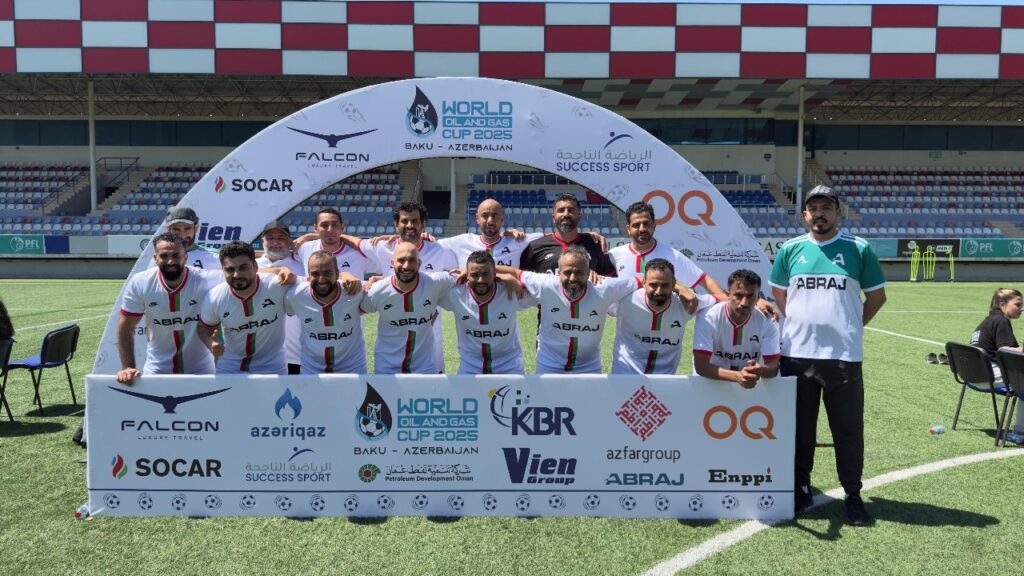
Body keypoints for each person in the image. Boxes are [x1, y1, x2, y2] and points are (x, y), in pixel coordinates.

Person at [769, 185, 887, 526]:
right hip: (797, 355)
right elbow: (779, 293)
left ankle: (853, 495)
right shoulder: (790, 249)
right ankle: (800, 488)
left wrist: (852, 326)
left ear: (838, 212)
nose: (819, 213)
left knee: (847, 430)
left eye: (826, 207)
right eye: (814, 208)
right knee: (799, 430)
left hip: (843, 357)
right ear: (805, 214)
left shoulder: (859, 248)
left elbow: (877, 298)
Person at [500, 245, 640, 374]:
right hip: (549, 366)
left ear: (588, 273)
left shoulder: (604, 287)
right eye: (567, 272)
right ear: (559, 273)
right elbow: (505, 271)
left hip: (589, 367)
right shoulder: (545, 285)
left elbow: (643, 281)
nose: (572, 278)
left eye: (579, 272)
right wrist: (502, 276)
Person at [117, 233, 223, 383]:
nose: (171, 261)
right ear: (155, 259)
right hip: (157, 370)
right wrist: (128, 367)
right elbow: (126, 325)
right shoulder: (141, 282)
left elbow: (246, 277)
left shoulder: (207, 279)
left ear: (186, 257)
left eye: (176, 255)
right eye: (164, 256)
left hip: (201, 370)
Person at [197, 241, 297, 375]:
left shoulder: (278, 286)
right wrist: (210, 343)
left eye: (243, 268)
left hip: (272, 367)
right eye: (230, 269)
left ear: (255, 266)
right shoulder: (214, 297)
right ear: (223, 271)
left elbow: (312, 287)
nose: (237, 275)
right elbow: (203, 327)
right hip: (230, 368)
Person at [360, 241, 456, 374]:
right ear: (392, 263)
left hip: (424, 366)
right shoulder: (377, 291)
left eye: (411, 260)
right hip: (387, 367)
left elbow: (467, 277)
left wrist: (465, 271)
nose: (406, 265)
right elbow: (357, 309)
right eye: (401, 260)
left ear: (419, 263)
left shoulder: (434, 282)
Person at [610, 258, 712, 375]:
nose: (659, 291)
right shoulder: (626, 300)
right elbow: (598, 297)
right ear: (644, 283)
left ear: (673, 284)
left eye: (665, 285)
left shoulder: (686, 302)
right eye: (653, 285)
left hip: (665, 380)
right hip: (625, 376)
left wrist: (691, 294)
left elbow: (719, 302)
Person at [441, 250, 533, 374]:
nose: (480, 280)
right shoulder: (455, 294)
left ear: (495, 274)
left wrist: (511, 277)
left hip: (509, 365)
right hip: (470, 365)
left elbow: (542, 293)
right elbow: (429, 289)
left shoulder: (511, 290)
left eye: (486, 274)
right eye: (474, 275)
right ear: (466, 275)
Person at [693, 269, 780, 387]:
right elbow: (701, 366)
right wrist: (737, 376)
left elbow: (773, 366)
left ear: (758, 297)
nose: (744, 303)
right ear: (728, 294)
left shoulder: (768, 321)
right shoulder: (708, 317)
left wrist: (760, 370)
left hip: (747, 387)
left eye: (750, 296)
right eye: (738, 295)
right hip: (710, 384)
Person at [285, 250, 366, 374]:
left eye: (327, 273)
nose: (321, 279)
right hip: (311, 369)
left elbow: (386, 287)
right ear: (308, 275)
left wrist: (374, 279)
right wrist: (279, 269)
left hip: (352, 368)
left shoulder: (356, 291)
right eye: (315, 274)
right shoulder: (295, 295)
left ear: (337, 273)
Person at [970, 288, 1024, 444]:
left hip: (971, 377)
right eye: (1018, 304)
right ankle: (1020, 433)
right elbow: (1004, 350)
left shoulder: (987, 321)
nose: (1021, 309)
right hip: (989, 376)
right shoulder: (1001, 321)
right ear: (1002, 303)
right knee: (1022, 383)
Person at [519, 193, 615, 276]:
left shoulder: (595, 244)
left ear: (579, 217)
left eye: (571, 210)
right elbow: (523, 282)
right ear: (553, 218)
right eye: (561, 210)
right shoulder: (535, 247)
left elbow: (609, 280)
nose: (566, 214)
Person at [256, 220, 306, 375]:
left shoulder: (303, 264)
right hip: (261, 355)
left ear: (290, 241)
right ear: (262, 241)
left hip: (298, 355)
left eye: (281, 238)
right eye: (270, 238)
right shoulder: (251, 265)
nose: (275, 242)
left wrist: (308, 236)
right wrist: (278, 270)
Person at [294, 208, 374, 279]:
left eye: (334, 225)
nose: (330, 230)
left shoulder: (358, 253)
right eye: (324, 225)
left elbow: (382, 267)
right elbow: (287, 259)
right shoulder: (304, 249)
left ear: (342, 227)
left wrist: (374, 280)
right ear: (316, 228)